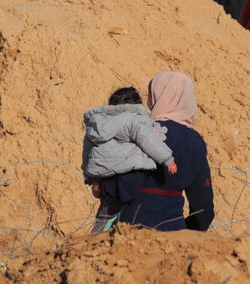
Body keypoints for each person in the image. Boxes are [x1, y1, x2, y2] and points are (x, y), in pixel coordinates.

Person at [105, 72, 214, 231]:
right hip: (172, 231)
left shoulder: (140, 130)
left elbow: (120, 186)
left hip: (128, 229)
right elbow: (203, 206)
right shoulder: (195, 141)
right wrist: (189, 231)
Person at [82, 86, 178, 233]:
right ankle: (97, 236)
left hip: (105, 178)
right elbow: (148, 140)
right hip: (127, 178)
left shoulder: (98, 122)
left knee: (106, 211)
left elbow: (87, 150)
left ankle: (99, 234)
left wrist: (89, 176)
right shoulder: (134, 119)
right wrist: (167, 159)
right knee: (115, 211)